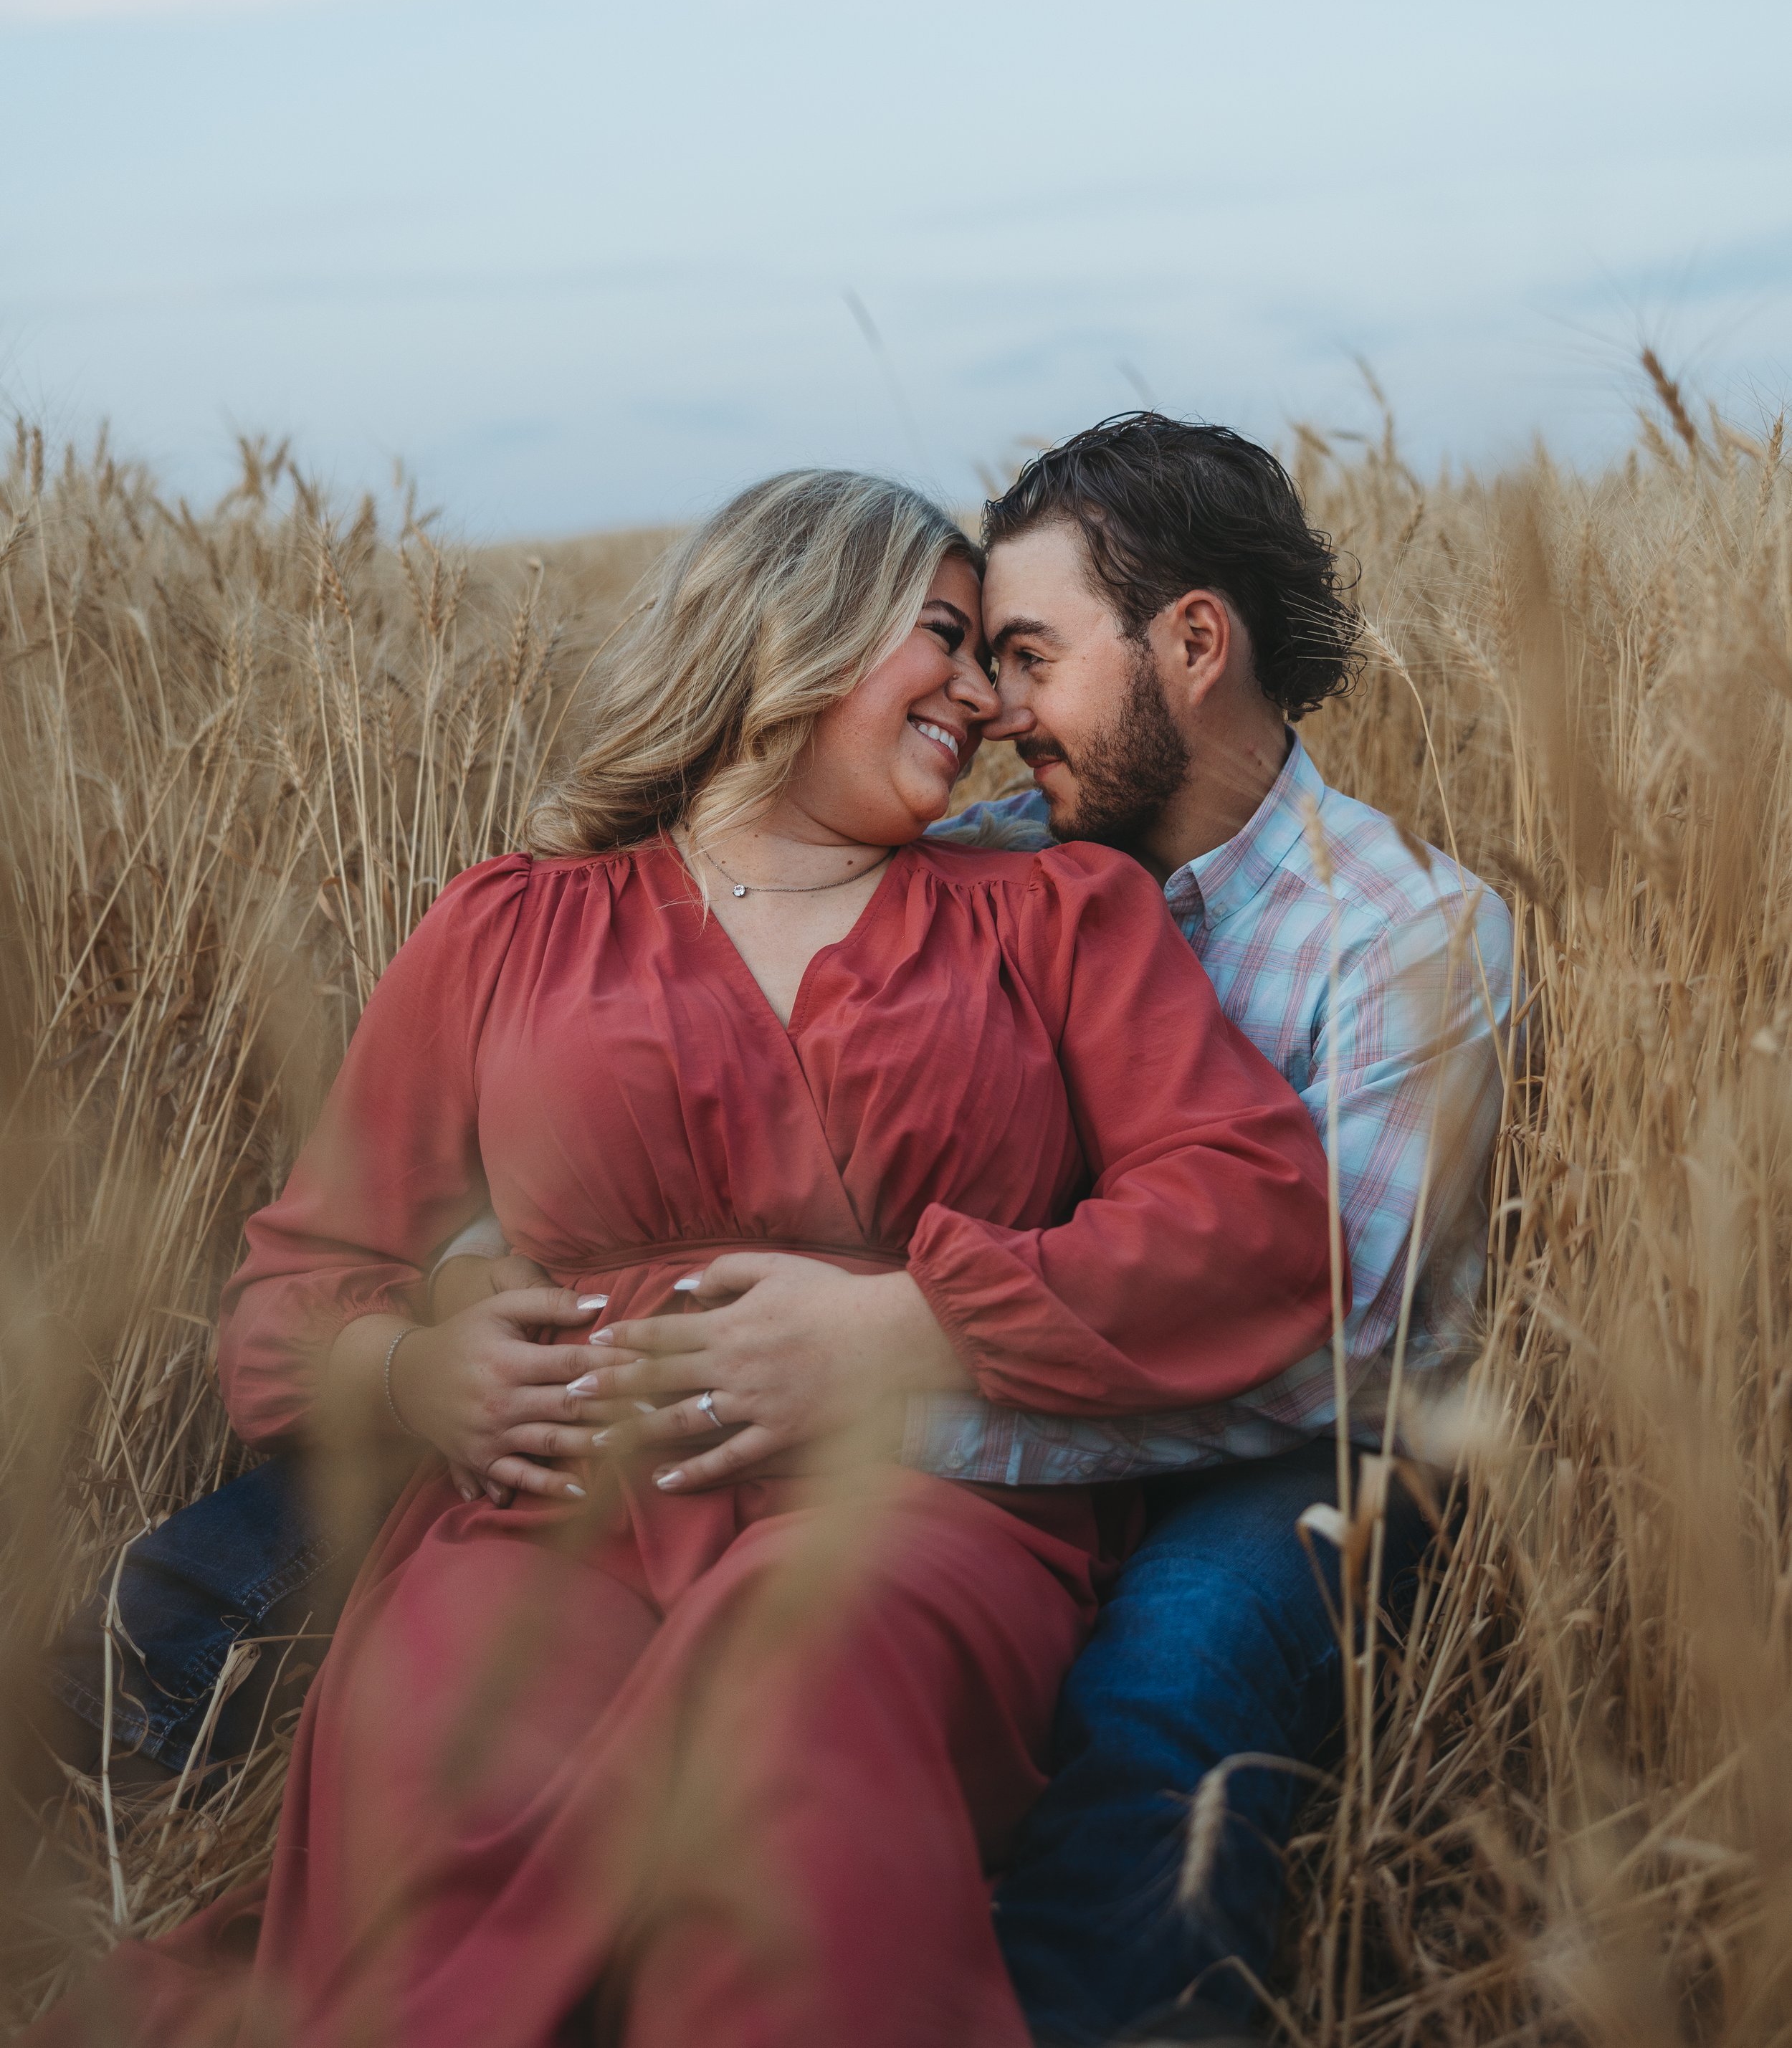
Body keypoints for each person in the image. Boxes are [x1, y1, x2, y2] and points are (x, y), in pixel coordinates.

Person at [33, 467, 1334, 2048]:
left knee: (793, 1719)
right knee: (451, 1754)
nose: (988, 700)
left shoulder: (1056, 914)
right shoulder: (504, 929)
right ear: (793, 626)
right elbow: (300, 1285)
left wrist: (912, 1325)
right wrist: (418, 1370)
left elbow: (1247, 1212)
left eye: (1000, 655)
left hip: (900, 1504)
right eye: (943, 637)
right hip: (545, 1514)